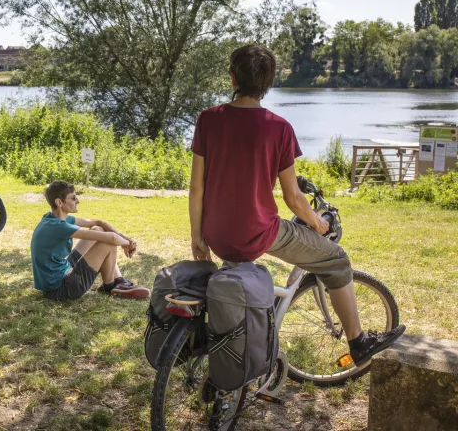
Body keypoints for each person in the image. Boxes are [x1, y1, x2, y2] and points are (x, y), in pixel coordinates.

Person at [189, 44, 404, 368]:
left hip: (216, 234)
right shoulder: (279, 128)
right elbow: (293, 197)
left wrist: (197, 236)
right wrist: (317, 223)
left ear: (232, 78)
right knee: (336, 260)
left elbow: (196, 187)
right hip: (258, 232)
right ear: (268, 84)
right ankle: (358, 342)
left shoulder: (208, 119)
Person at [30, 181, 150, 300]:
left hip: (62, 273)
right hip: (60, 289)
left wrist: (124, 238)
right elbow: (112, 238)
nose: (77, 201)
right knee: (108, 243)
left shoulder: (53, 218)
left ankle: (119, 281)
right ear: (59, 202)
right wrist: (129, 244)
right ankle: (110, 286)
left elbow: (98, 223)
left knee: (98, 229)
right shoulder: (59, 226)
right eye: (73, 198)